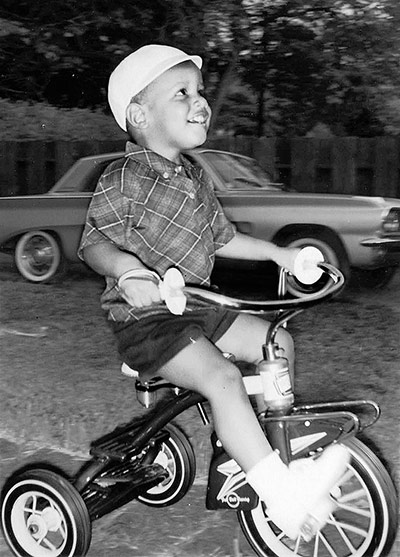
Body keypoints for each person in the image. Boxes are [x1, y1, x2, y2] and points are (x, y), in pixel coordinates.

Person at [79, 44, 349, 540]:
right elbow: (94, 242)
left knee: (277, 344)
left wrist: (281, 256)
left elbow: (223, 237)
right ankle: (282, 496)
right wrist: (128, 272)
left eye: (199, 92)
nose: (199, 101)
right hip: (146, 321)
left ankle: (265, 458)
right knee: (223, 380)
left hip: (197, 306)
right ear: (140, 115)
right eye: (181, 93)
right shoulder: (123, 177)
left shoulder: (194, 177)